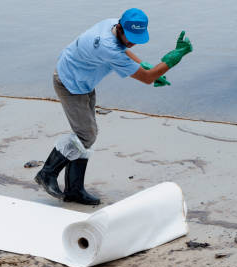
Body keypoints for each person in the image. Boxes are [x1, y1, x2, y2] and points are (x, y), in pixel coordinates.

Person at [35, 8, 193, 205]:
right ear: (120, 28)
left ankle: (74, 190)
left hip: (83, 80)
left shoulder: (111, 25)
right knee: (87, 135)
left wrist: (144, 64)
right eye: (130, 37)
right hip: (69, 82)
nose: (133, 42)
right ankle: (46, 173)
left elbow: (124, 51)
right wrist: (174, 57)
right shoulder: (106, 46)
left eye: (137, 37)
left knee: (86, 135)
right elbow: (146, 78)